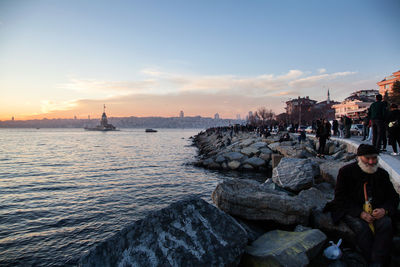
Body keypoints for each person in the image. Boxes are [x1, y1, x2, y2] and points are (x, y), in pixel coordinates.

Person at [324, 144, 399, 266]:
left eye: (374, 158)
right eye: (367, 158)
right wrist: (360, 213)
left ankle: (377, 262)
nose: (371, 161)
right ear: (359, 158)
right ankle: (373, 261)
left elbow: (393, 197)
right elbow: (340, 198)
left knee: (386, 224)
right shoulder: (346, 172)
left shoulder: (382, 174)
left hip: (376, 212)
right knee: (362, 228)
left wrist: (384, 210)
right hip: (354, 211)